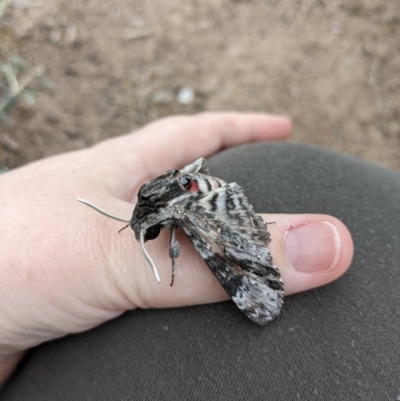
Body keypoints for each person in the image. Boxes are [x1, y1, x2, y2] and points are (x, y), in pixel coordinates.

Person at [0, 113, 398, 400]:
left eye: (151, 230)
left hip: (200, 203)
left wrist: (176, 262)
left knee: (232, 265)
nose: (153, 234)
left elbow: (183, 236)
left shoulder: (181, 218)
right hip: (193, 185)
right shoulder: (150, 198)